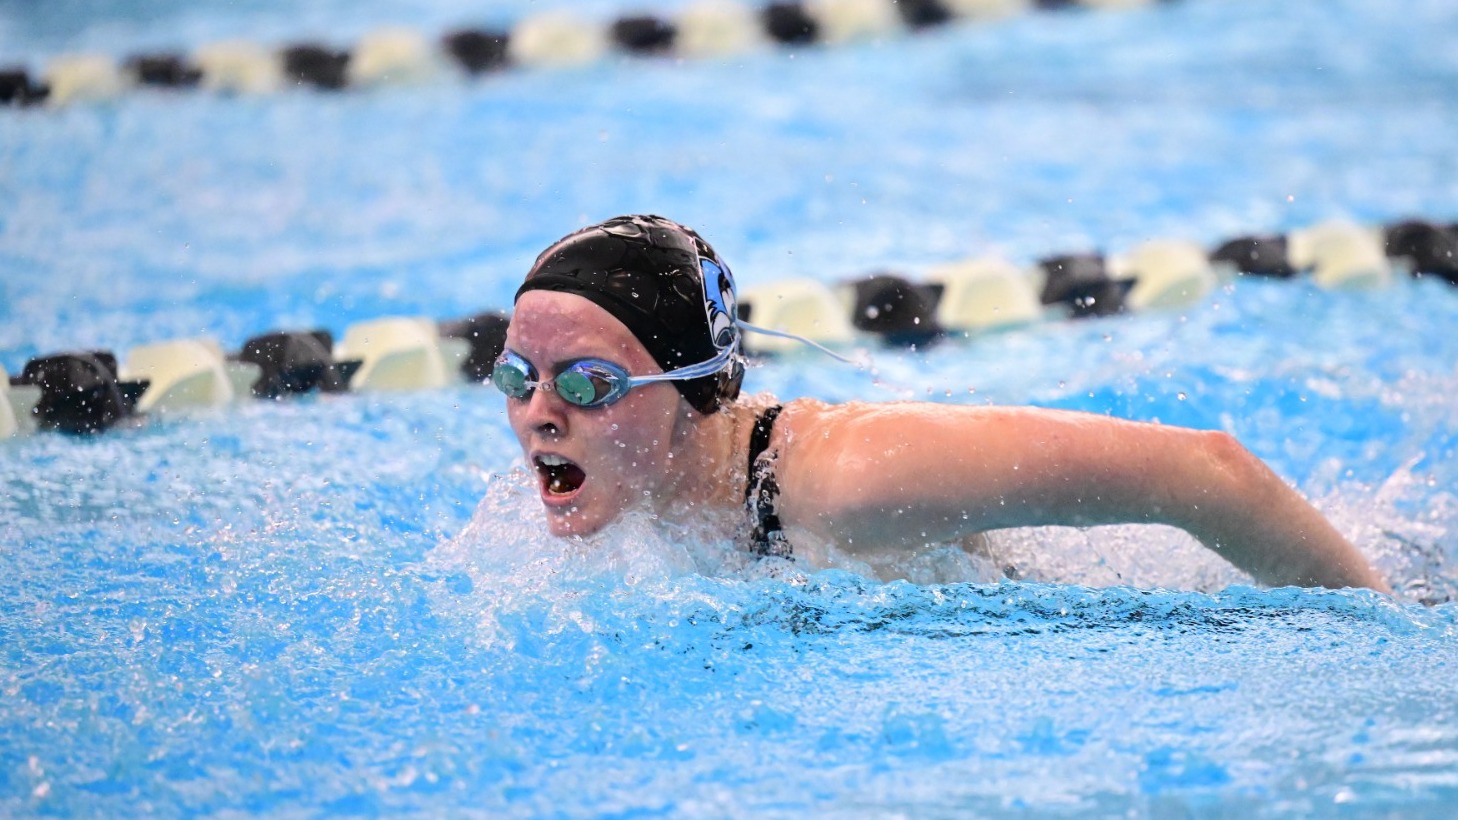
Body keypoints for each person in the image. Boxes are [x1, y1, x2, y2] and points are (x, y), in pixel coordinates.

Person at [492, 214, 1392, 593]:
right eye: (515, 377)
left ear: (690, 390)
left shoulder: (851, 482)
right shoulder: (622, 500)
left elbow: (1204, 469)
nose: (539, 412)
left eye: (586, 385)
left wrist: (1386, 622)